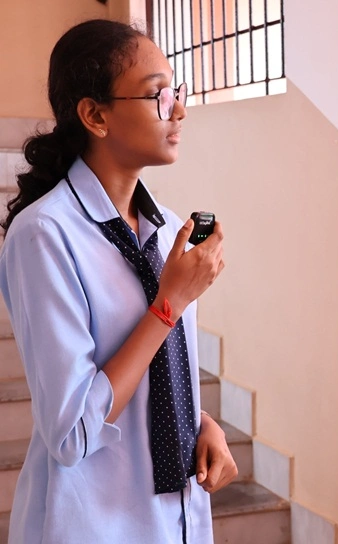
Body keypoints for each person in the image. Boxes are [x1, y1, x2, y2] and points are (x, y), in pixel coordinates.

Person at [0, 19, 236, 543]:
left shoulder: (168, 230)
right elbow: (72, 433)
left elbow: (154, 372)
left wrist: (200, 422)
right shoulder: (44, 235)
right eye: (157, 95)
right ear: (95, 115)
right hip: (94, 524)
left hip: (176, 520)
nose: (178, 110)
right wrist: (169, 304)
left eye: (176, 91)